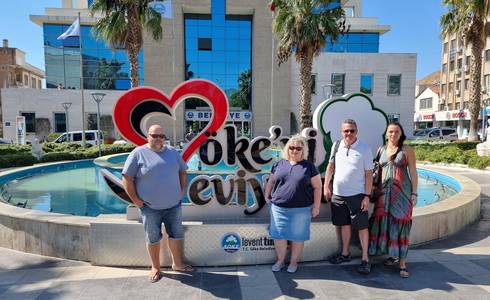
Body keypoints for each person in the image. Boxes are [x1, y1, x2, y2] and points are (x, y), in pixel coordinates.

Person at [122, 124, 193, 283]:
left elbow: (183, 171)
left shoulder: (173, 152)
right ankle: (155, 267)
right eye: (155, 136)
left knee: (176, 235)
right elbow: (127, 178)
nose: (159, 139)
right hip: (150, 208)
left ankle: (177, 264)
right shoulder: (138, 153)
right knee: (153, 238)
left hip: (173, 206)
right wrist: (136, 200)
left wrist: (181, 191)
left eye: (162, 136)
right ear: (148, 136)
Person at [264, 135, 322, 273]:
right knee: (279, 237)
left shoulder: (309, 166)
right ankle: (280, 261)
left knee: (297, 237)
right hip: (278, 209)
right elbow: (271, 181)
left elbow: (318, 187)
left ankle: (294, 262)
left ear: (303, 150)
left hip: (301, 210)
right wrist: (267, 196)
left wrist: (317, 206)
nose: (294, 150)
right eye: (291, 147)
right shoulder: (279, 164)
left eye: (298, 148)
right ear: (287, 149)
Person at [323, 119, 373, 274]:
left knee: (362, 227)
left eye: (352, 130)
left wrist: (367, 196)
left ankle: (365, 259)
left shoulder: (364, 148)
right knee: (344, 225)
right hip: (338, 195)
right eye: (346, 131)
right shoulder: (336, 146)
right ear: (341, 132)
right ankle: (345, 253)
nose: (349, 133)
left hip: (357, 195)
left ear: (356, 132)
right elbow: (330, 167)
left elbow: (369, 175)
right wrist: (326, 186)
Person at [368, 122, 418, 278]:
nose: (393, 134)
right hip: (383, 193)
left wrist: (414, 193)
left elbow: (413, 172)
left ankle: (402, 264)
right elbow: (376, 171)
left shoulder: (407, 150)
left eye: (396, 131)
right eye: (390, 131)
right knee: (384, 222)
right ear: (386, 133)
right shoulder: (381, 149)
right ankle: (391, 255)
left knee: (401, 223)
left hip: (402, 193)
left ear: (401, 133)